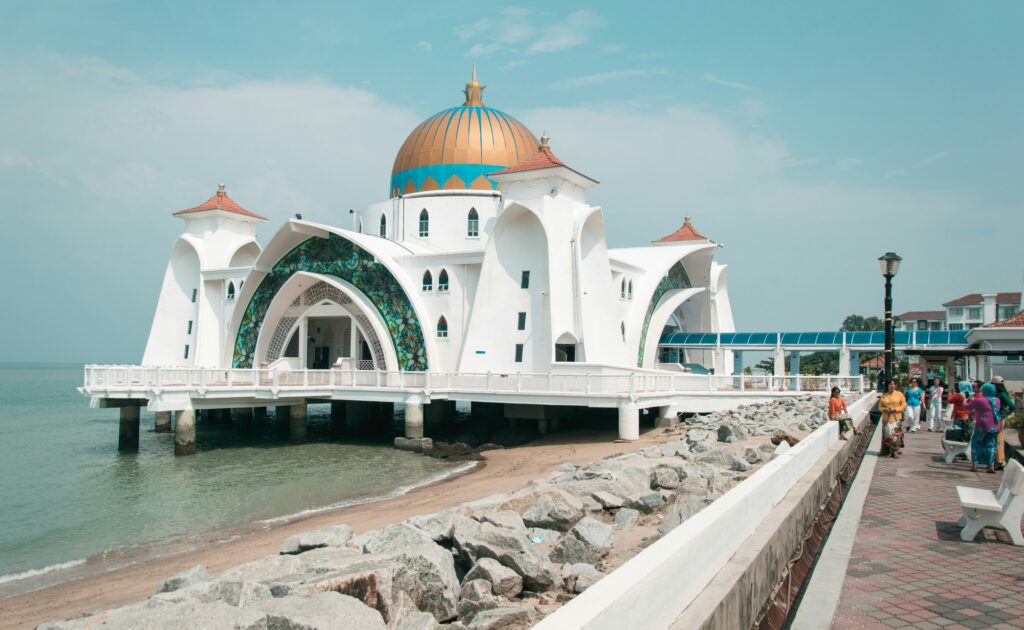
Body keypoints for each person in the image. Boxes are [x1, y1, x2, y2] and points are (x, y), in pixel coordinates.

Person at [966, 383, 1002, 474]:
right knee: (991, 445)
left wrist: (967, 400)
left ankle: (974, 465)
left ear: (984, 391)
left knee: (976, 443)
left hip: (982, 425)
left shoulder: (980, 400)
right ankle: (991, 466)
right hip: (995, 425)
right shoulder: (997, 400)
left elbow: (967, 406)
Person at [992, 375, 1017, 471]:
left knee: (999, 440)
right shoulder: (998, 393)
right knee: (996, 440)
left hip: (999, 419)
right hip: (995, 418)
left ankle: (1000, 461)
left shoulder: (1001, 394)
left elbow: (1012, 406)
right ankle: (998, 460)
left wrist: (1004, 415)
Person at [879, 379, 907, 458]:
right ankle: (890, 451)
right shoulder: (884, 396)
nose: (891, 386)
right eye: (890, 384)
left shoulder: (899, 394)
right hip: (887, 418)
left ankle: (895, 452)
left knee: (895, 436)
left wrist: (895, 409)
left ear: (895, 385)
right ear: (887, 386)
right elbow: (880, 407)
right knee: (888, 436)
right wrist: (886, 409)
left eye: (893, 384)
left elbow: (904, 405)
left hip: (896, 418)